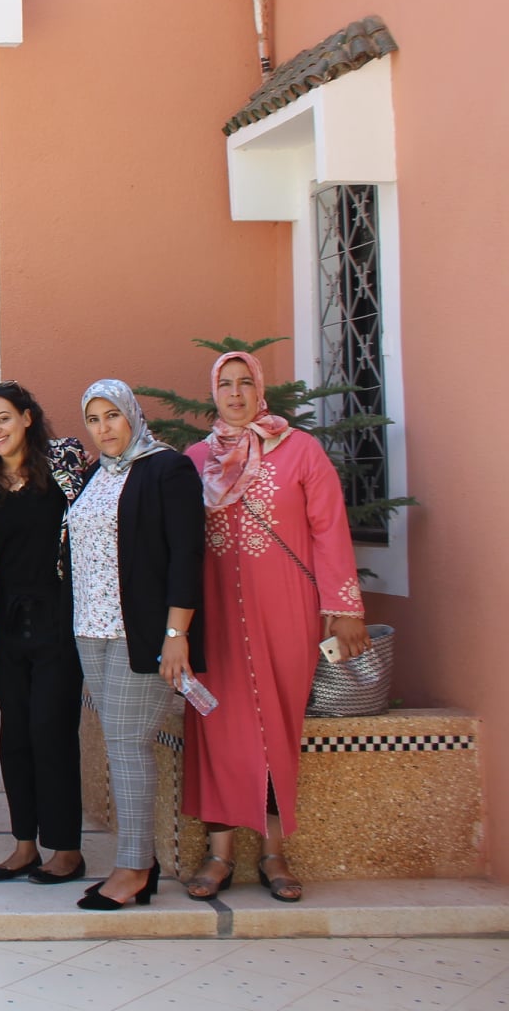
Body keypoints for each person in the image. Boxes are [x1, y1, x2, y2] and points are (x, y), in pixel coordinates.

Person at [181, 350, 368, 904]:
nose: (235, 394)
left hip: (284, 609)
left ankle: (273, 853)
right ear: (213, 392)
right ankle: (219, 856)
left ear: (260, 389)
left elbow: (329, 529)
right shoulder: (193, 460)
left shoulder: (299, 451)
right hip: (213, 615)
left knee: (273, 730)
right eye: (225, 384)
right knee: (215, 727)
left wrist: (345, 607)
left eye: (245, 383)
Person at [67, 380, 205, 910]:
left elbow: (186, 556)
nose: (104, 428)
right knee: (119, 742)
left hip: (139, 633)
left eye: (112, 416)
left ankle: (135, 868)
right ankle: (133, 864)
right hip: (91, 631)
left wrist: (176, 634)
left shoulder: (167, 469)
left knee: (127, 746)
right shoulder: (93, 476)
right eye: (94, 419)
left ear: (132, 416)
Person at [0, 381, 91, 885]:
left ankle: (67, 848)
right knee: (14, 737)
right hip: (6, 628)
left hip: (60, 622)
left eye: (4, 419)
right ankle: (24, 845)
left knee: (51, 732)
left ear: (27, 418)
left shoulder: (64, 460)